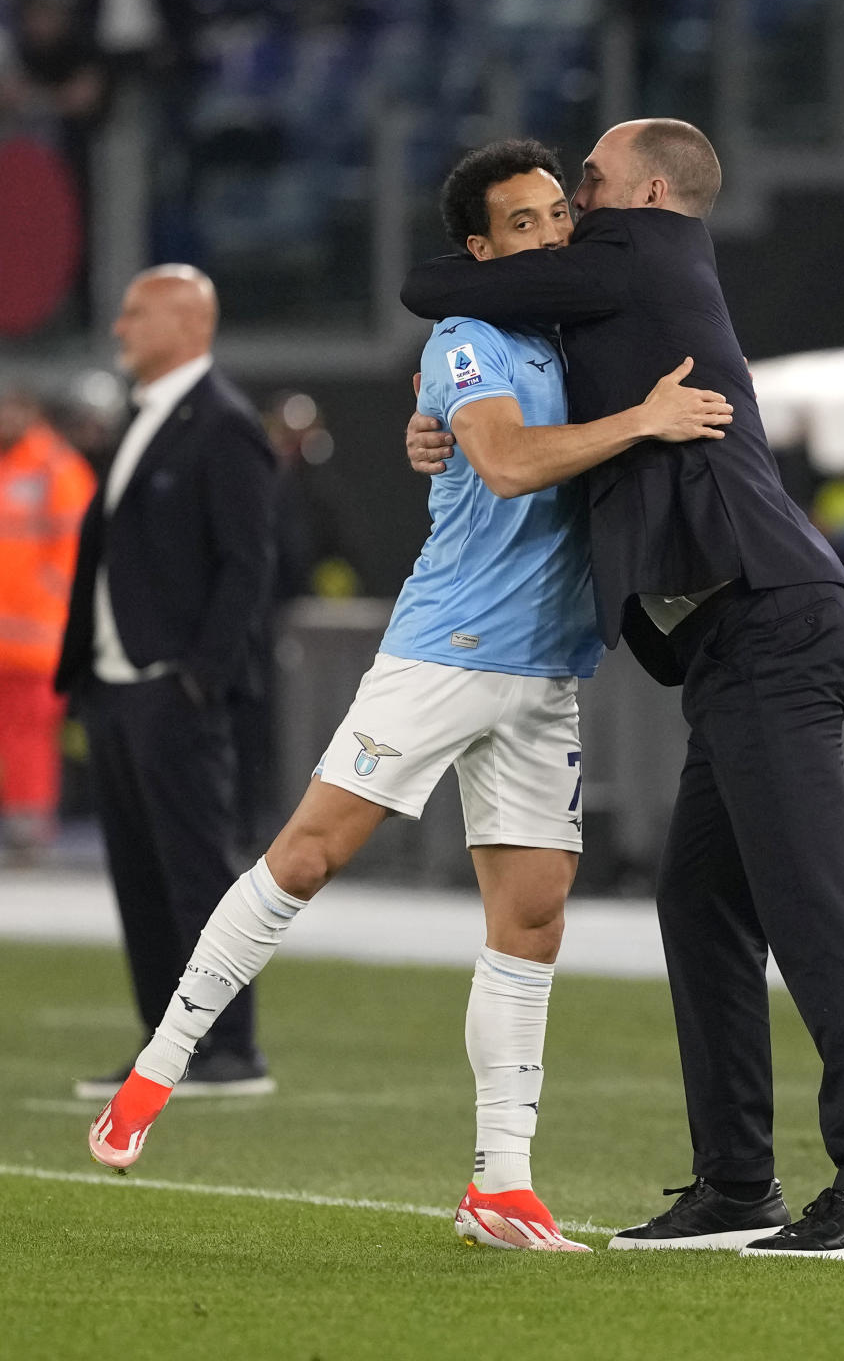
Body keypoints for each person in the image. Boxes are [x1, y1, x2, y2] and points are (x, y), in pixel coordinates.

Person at [85, 141, 730, 1253]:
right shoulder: (468, 336)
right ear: (480, 251)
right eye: (521, 224)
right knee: (307, 857)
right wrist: (637, 423)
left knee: (532, 921)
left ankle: (501, 1184)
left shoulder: (582, 334)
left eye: (555, 216)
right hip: (448, 649)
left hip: (547, 668)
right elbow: (512, 463)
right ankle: (155, 1074)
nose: (551, 234)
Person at [401, 118, 844, 1262]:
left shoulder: (639, 252)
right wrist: (438, 411)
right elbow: (512, 378)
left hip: (771, 624)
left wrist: (460, 340)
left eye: (586, 184)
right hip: (740, 638)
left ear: (643, 192)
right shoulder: (626, 287)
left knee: (813, 912)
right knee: (701, 909)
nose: (574, 204)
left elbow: (427, 279)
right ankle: (738, 1186)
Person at [56, 265, 277, 1098]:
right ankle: (165, 1043)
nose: (119, 329)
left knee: (194, 870)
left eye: (135, 314)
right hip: (117, 689)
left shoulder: (221, 424)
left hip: (171, 687)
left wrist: (198, 675)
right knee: (139, 876)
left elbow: (247, 564)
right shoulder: (146, 418)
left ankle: (228, 1049)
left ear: (189, 322)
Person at [0, 384, 95, 860]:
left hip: (38, 638)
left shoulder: (57, 469)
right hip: (12, 636)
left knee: (30, 737)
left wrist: (46, 601)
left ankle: (27, 836)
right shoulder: (13, 466)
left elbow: (78, 554)